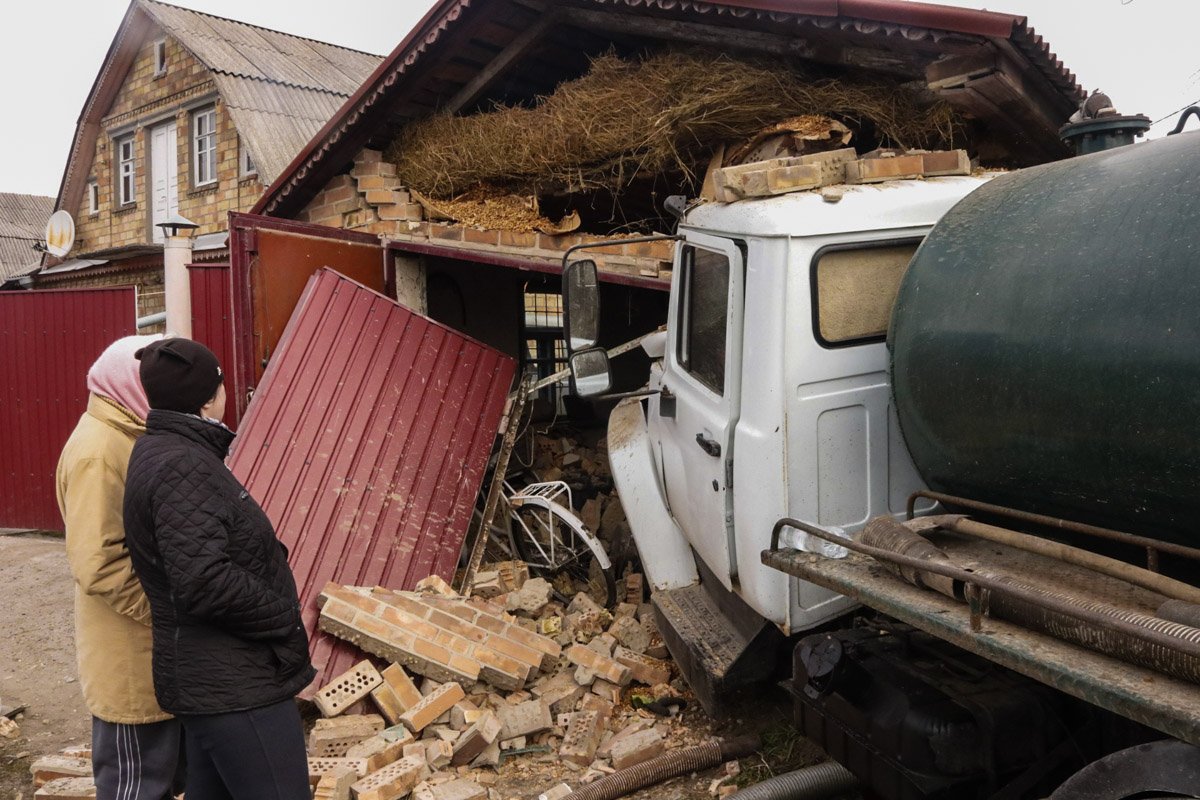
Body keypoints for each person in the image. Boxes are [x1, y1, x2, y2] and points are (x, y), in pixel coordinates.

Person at [122, 337, 314, 800]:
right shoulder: (181, 465)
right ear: (209, 396)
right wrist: (282, 614)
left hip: (216, 680)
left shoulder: (167, 451)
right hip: (234, 683)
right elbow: (203, 581)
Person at [56, 334, 184, 800]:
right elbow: (98, 563)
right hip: (129, 654)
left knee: (165, 778)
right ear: (131, 384)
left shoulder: (131, 433)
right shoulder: (100, 451)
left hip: (155, 650)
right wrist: (168, 614)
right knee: (135, 784)